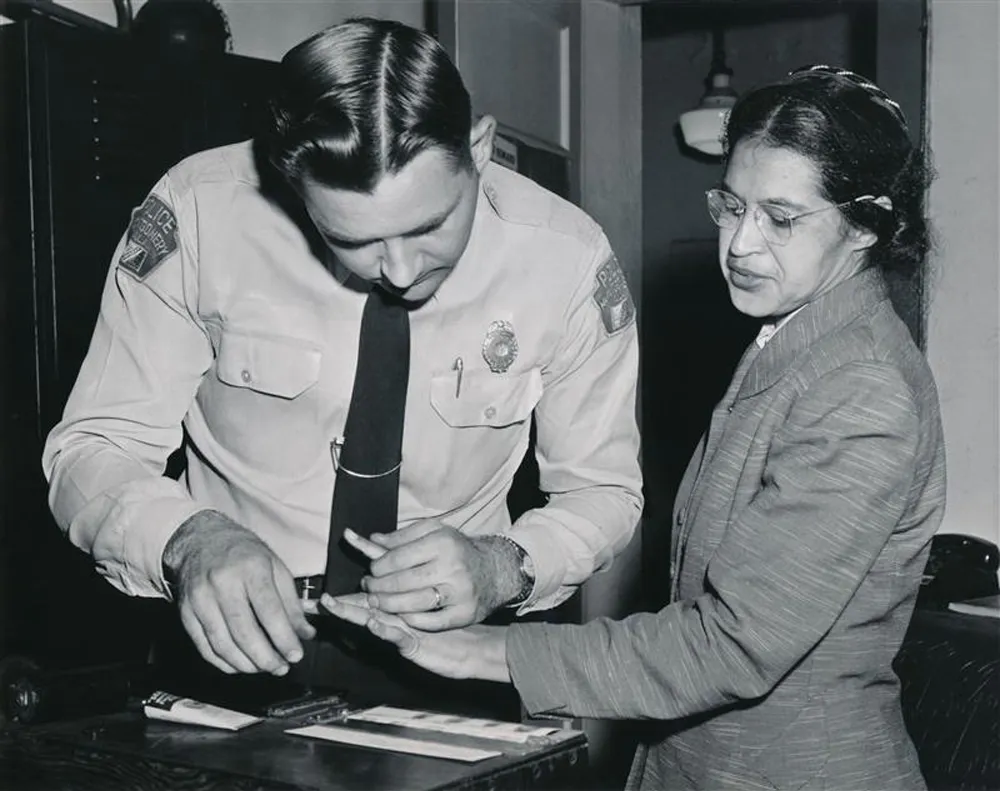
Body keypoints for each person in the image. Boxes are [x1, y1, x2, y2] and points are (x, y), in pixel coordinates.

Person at [324, 64, 946, 790]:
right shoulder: (798, 339)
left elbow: (734, 643)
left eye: (780, 218)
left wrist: (481, 651)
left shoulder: (862, 386)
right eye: (731, 206)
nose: (741, 244)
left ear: (864, 226)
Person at [41, 17, 642, 703]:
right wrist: (187, 540)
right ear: (289, 181)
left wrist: (504, 564)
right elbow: (92, 447)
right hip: (230, 655)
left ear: (479, 147)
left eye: (430, 225)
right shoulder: (200, 212)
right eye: (352, 239)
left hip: (457, 660)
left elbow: (606, 490)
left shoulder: (565, 258)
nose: (402, 269)